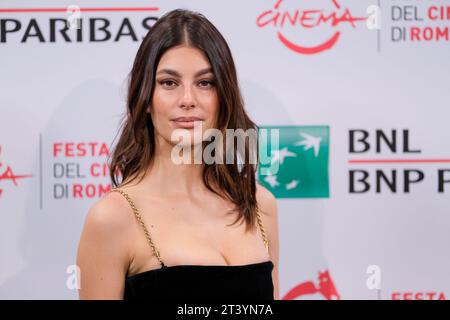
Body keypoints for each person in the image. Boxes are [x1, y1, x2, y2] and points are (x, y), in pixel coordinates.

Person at [76, 8, 279, 300]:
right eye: (169, 83)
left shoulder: (259, 205)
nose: (187, 100)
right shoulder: (113, 219)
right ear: (145, 97)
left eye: (205, 83)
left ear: (224, 96)